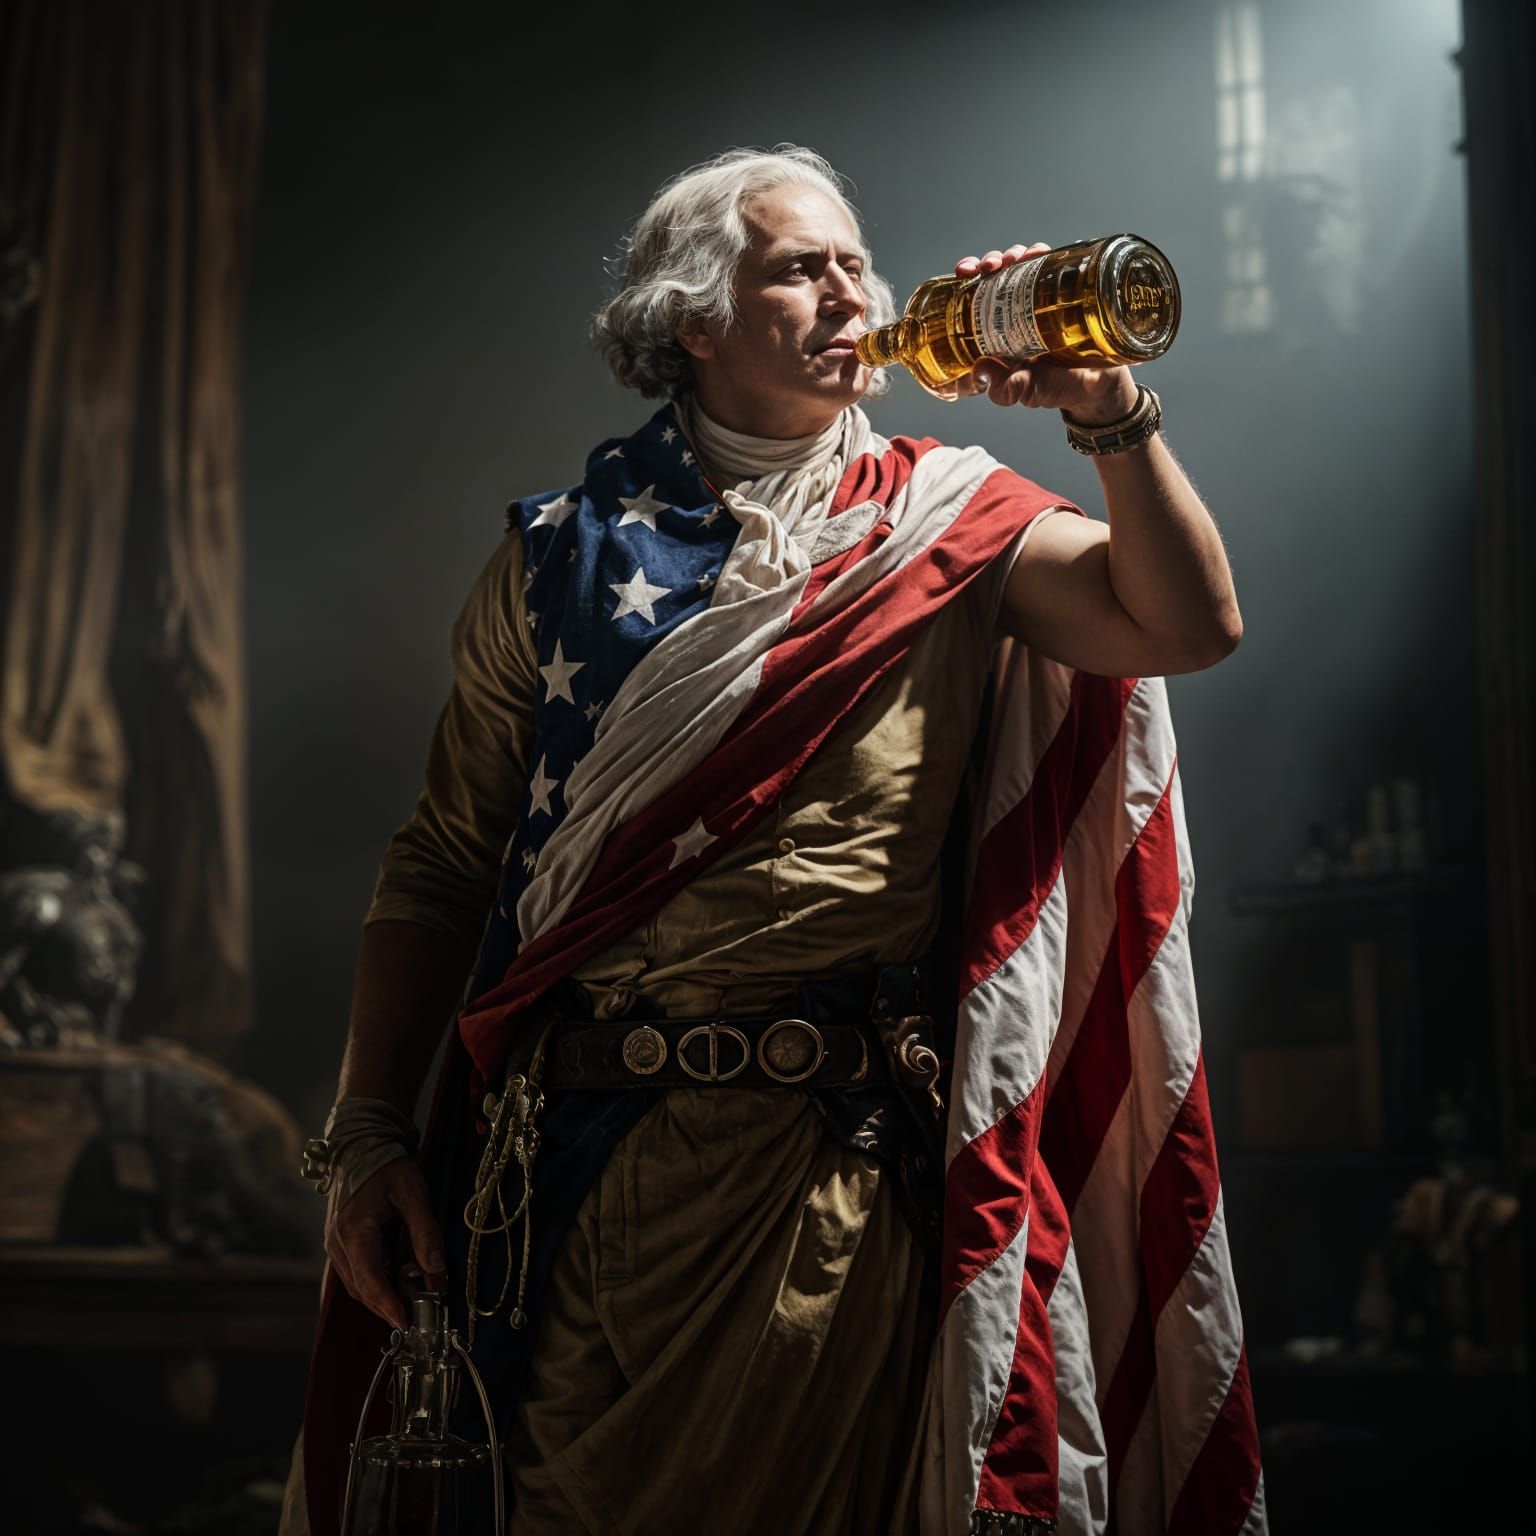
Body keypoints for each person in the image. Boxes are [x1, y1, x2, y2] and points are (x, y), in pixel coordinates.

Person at [288, 146, 1250, 1536]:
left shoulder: (951, 521)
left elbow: (1185, 625)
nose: (855, 292)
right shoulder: (557, 562)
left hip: (838, 1186)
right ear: (695, 322)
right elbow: (443, 862)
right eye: (802, 268)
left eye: (858, 260)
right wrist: (371, 1128)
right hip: (587, 1181)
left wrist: (1108, 413)